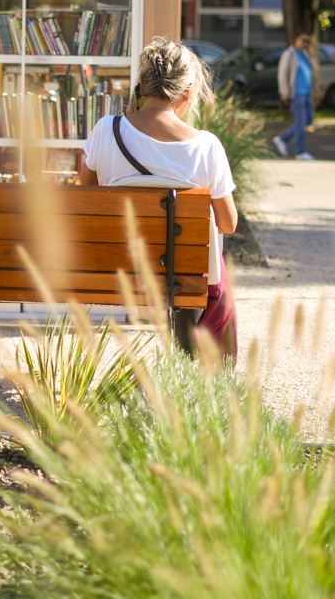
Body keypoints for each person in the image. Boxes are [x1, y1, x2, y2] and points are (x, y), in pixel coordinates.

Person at [79, 37, 240, 362]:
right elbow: (227, 223)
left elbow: (89, 196)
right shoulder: (206, 147)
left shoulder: (105, 130)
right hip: (184, 273)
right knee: (202, 263)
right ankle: (200, 372)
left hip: (118, 266)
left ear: (141, 84)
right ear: (187, 93)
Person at [273, 33, 319, 160]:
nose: (305, 44)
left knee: (308, 120)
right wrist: (284, 93)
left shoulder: (305, 55)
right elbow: (282, 74)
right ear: (296, 40)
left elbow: (314, 70)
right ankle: (300, 152)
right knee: (300, 122)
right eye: (303, 40)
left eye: (307, 41)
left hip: (307, 92)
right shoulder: (289, 54)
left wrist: (311, 56)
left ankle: (282, 138)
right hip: (296, 93)